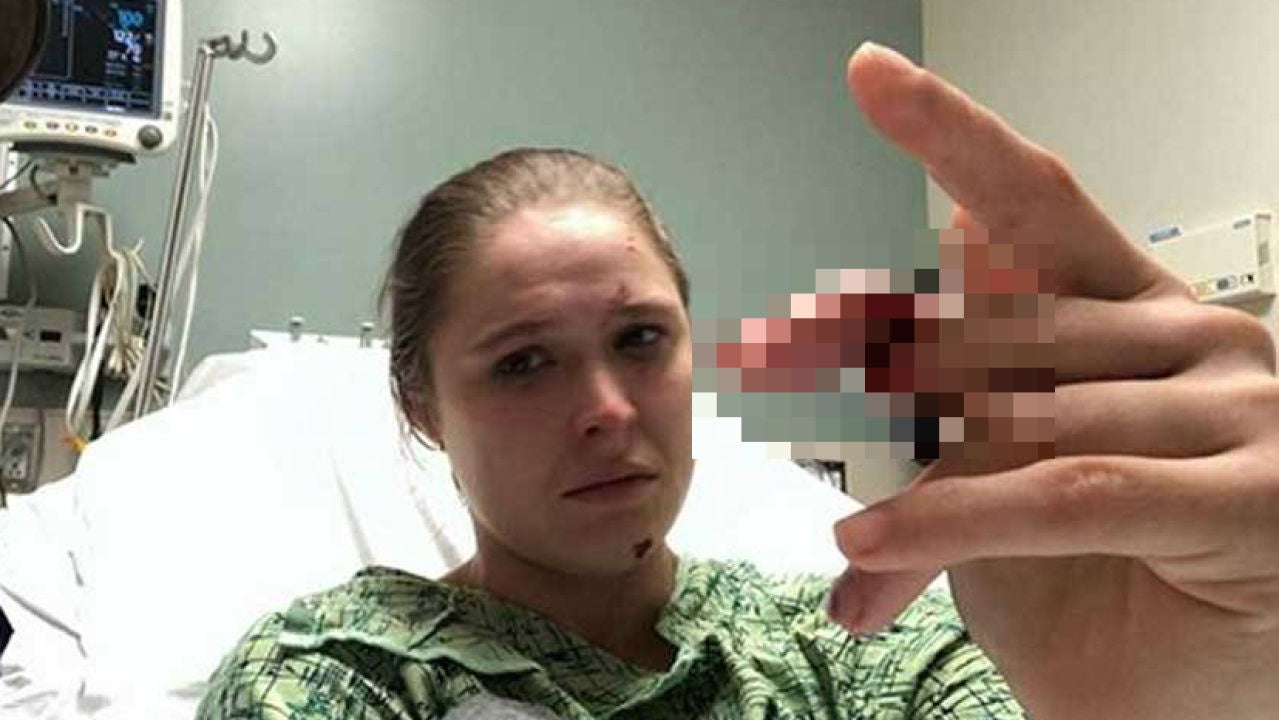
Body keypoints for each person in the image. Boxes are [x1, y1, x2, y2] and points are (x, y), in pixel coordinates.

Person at [193, 42, 1279, 720]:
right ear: (421, 406)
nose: (606, 409)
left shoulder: (857, 651)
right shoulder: (340, 673)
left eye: (639, 339)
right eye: (522, 363)